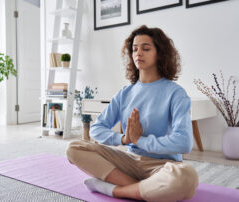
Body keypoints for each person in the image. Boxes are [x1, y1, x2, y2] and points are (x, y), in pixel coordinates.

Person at [66, 25, 199, 202]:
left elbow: (184, 142)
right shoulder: (125, 93)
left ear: (160, 53)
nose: (138, 53)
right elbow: (97, 128)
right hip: (129, 161)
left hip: (162, 165)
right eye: (134, 49)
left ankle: (115, 190)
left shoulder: (175, 93)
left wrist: (140, 140)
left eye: (145, 48)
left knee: (187, 176)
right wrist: (124, 139)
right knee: (74, 148)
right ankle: (142, 189)